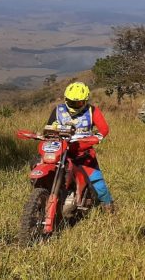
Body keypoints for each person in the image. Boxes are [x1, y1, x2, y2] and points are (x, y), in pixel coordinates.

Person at [47, 81, 115, 213]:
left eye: (78, 103)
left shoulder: (92, 111)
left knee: (98, 183)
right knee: (42, 167)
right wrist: (51, 131)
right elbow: (49, 128)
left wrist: (95, 138)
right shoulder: (58, 110)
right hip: (60, 150)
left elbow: (104, 129)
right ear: (66, 99)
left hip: (83, 152)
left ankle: (109, 207)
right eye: (71, 102)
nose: (74, 105)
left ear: (85, 101)